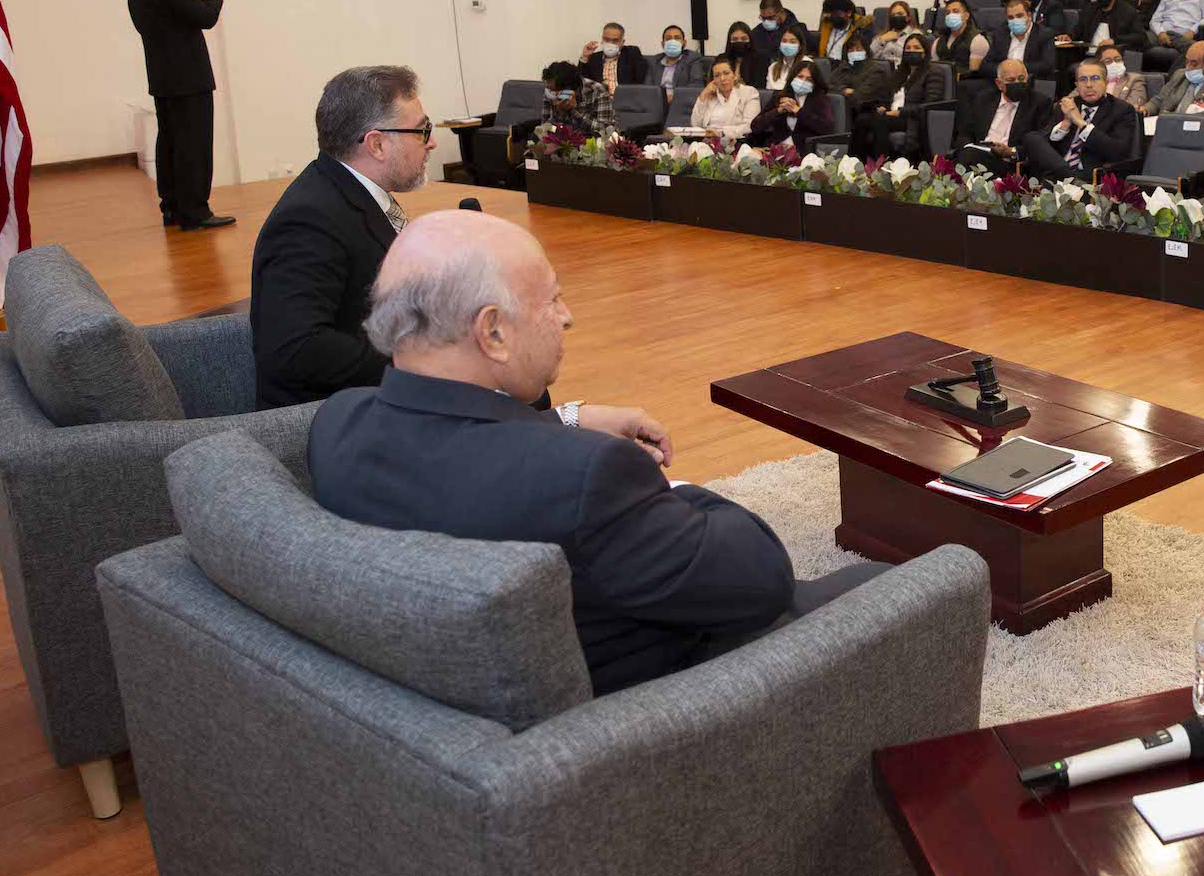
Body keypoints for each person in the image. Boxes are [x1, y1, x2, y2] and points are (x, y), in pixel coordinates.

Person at [310, 209, 882, 695]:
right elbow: (761, 579)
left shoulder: (337, 425)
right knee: (901, 583)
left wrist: (566, 420)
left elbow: (458, 440)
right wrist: (675, 492)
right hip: (666, 706)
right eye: (552, 299)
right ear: (494, 333)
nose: (568, 316)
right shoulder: (586, 479)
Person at [250, 66, 433, 409]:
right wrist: (421, 362)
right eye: (422, 131)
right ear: (377, 144)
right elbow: (296, 349)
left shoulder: (346, 190)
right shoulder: (309, 220)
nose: (432, 142)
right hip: (343, 414)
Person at [127, 0, 232, 230]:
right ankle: (195, 211)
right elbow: (205, 16)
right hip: (188, 76)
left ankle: (171, 207)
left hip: (161, 75)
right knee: (193, 144)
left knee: (170, 142)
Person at [1018, 58, 1140, 180]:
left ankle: (1069, 179)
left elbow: (1117, 152)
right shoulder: (1068, 105)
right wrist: (1064, 125)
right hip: (1058, 171)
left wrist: (1081, 124)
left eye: (1095, 78)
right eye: (1083, 80)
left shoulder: (1121, 109)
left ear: (1106, 82)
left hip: (1089, 176)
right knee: (1031, 137)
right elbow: (1046, 145)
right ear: (1076, 85)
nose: (1089, 85)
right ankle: (1069, 177)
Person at [850, 33, 945, 160]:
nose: (912, 51)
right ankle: (854, 163)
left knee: (879, 121)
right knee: (862, 119)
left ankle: (881, 165)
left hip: (911, 118)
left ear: (925, 51)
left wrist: (899, 112)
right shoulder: (900, 73)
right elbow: (886, 97)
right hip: (890, 114)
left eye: (916, 48)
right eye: (908, 48)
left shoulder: (933, 72)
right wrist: (883, 107)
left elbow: (929, 105)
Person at [954, 60, 1051, 175]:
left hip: (1010, 163)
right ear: (999, 84)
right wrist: (967, 147)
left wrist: (1011, 152)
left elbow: (1041, 142)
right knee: (967, 156)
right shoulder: (983, 99)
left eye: (1021, 79)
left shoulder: (1039, 103)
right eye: (1011, 80)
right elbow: (965, 132)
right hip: (978, 153)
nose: (1017, 83)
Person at [745, 59, 833, 149]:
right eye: (800, 77)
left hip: (804, 151)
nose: (803, 81)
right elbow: (755, 126)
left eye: (809, 79)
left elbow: (826, 130)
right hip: (775, 149)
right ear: (792, 78)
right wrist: (777, 111)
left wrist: (799, 111)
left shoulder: (820, 99)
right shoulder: (779, 96)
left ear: (815, 83)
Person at [691, 55, 759, 143]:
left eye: (726, 73)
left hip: (736, 143)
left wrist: (721, 133)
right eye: (717, 75)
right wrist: (703, 95)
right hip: (707, 142)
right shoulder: (710, 94)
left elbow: (750, 126)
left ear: (735, 75)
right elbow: (695, 125)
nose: (722, 79)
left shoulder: (749, 92)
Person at [1153, 41, 1204, 116]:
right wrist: (1145, 109)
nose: (1188, 68)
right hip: (1167, 122)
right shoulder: (1180, 74)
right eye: (1187, 62)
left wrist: (1181, 120)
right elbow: (1160, 99)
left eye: (1194, 64)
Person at [578, 23, 649, 87]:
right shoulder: (595, 58)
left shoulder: (631, 53)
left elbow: (641, 79)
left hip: (624, 98)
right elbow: (582, 82)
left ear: (622, 42)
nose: (610, 43)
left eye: (615, 41)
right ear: (602, 40)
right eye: (606, 39)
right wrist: (585, 57)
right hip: (601, 99)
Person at [648, 26, 705, 104]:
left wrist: (672, 98)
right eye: (668, 38)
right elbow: (647, 88)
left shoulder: (692, 58)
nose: (672, 41)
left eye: (677, 38)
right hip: (656, 104)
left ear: (684, 43)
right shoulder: (654, 61)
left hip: (680, 104)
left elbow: (696, 86)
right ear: (662, 43)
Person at [1094, 39, 1152, 112]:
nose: (1114, 64)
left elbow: (1133, 106)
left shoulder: (1134, 79)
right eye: (1108, 61)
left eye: (1118, 60)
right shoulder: (1091, 80)